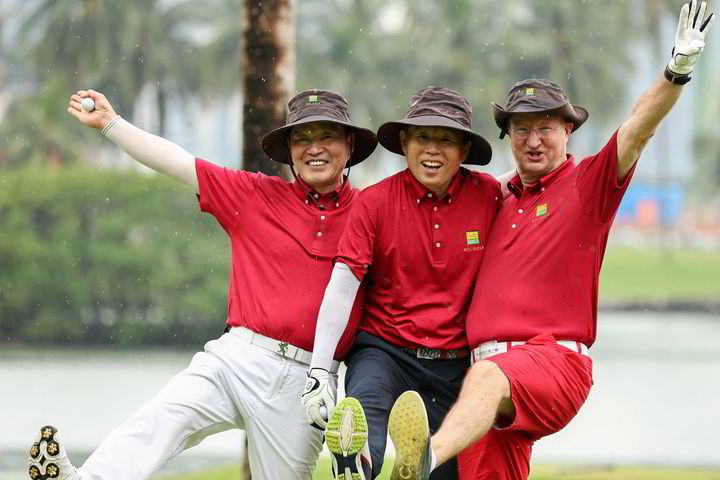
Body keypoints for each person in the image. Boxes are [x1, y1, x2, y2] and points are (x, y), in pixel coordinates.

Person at [385, 1, 715, 479]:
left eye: (545, 127)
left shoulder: (585, 186)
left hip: (550, 362)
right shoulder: (496, 197)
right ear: (508, 137)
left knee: (487, 377)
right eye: (522, 130)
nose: (533, 139)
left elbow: (638, 130)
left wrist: (677, 70)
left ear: (567, 131)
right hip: (488, 393)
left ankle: (424, 461)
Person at [27, 89, 377, 480]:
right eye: (302, 137)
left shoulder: (372, 212)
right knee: (162, 418)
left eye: (326, 136)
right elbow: (178, 163)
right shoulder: (256, 194)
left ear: (349, 145)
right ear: (290, 149)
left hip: (308, 382)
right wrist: (112, 124)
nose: (314, 148)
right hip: (238, 357)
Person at [300, 86, 502, 480]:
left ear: (463, 151)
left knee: (441, 469)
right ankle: (357, 463)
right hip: (385, 349)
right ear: (405, 142)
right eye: (423, 136)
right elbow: (343, 285)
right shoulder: (373, 202)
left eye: (445, 139)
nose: (432, 149)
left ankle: (409, 469)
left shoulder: (490, 196)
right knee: (366, 407)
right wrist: (319, 371)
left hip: (456, 364)